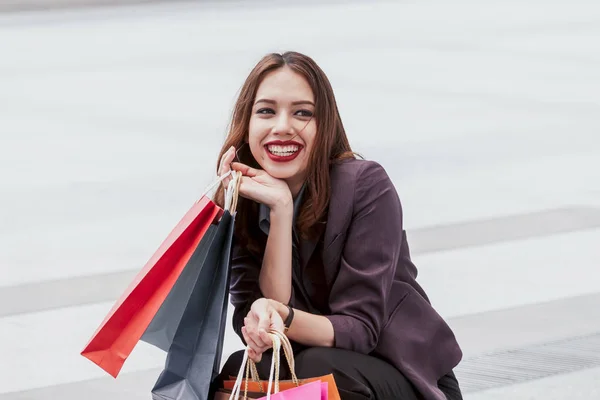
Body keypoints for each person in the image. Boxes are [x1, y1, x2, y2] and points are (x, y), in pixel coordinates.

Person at [210, 51, 463, 400]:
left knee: (317, 370)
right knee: (235, 374)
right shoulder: (246, 203)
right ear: (247, 124)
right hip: (317, 369)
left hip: (401, 376)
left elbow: (359, 330)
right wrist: (279, 212)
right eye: (266, 111)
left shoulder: (365, 185)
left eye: (302, 113)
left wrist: (281, 318)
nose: (282, 126)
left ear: (324, 124)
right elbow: (260, 327)